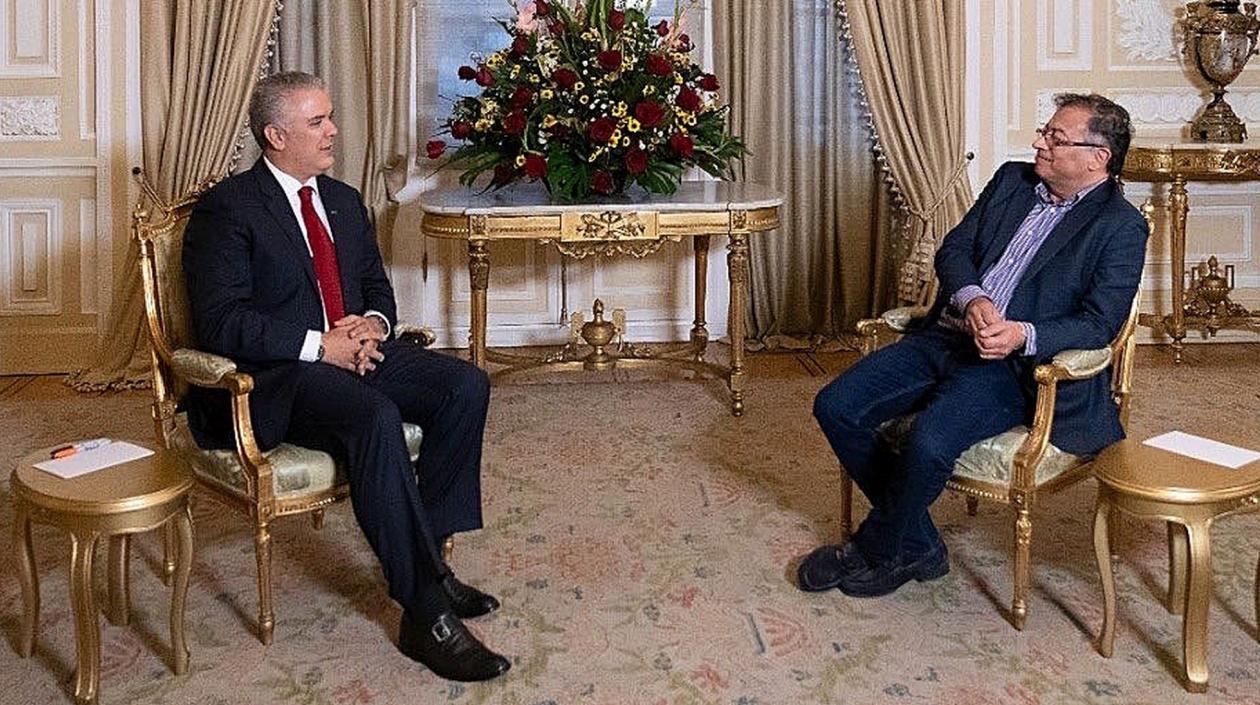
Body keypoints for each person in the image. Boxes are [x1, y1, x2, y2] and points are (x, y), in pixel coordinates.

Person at [183, 71, 510, 682]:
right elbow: (223, 322)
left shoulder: (339, 199)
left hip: (353, 352)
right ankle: (425, 613)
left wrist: (373, 327)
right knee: (375, 418)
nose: (333, 130)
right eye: (317, 122)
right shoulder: (228, 209)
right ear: (276, 135)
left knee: (465, 387)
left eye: (330, 117)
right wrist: (321, 346)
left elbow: (374, 288)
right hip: (277, 376)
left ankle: (432, 565)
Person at [800, 93, 1148, 599]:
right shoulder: (1012, 180)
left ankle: (873, 547)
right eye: (1043, 131)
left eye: (1055, 137)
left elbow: (1099, 322)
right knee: (835, 405)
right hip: (946, 334)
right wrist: (973, 296)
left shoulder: (1119, 226)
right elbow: (955, 249)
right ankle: (917, 543)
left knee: (930, 441)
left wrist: (1020, 333)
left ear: (1098, 158)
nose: (1039, 143)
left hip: (1010, 367)